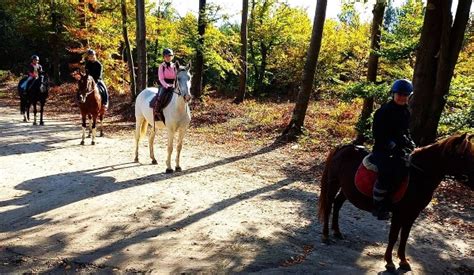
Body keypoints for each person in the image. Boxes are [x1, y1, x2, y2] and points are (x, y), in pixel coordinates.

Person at [371, 79, 416, 220]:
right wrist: (392, 145)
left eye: (405, 95)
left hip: (399, 149)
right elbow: (378, 134)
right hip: (382, 149)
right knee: (387, 171)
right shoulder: (383, 111)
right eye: (399, 94)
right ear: (393, 94)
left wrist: (410, 141)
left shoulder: (406, 112)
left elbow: (405, 130)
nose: (402, 97)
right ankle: (378, 205)